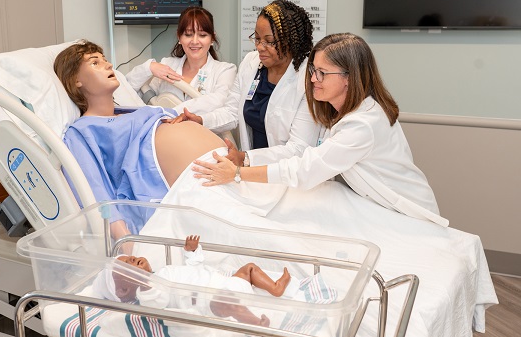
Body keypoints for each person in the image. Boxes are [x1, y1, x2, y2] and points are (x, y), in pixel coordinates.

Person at [192, 33, 448, 227]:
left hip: (403, 210)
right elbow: (304, 155)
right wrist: (247, 158)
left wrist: (238, 173)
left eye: (322, 73)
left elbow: (305, 169)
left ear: (350, 77)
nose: (313, 79)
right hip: (373, 204)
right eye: (313, 70)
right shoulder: (341, 110)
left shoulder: (363, 124)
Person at [54, 40, 226, 238]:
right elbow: (95, 190)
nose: (108, 65)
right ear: (76, 80)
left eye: (105, 60)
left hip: (224, 172)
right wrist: (124, 240)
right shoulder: (80, 131)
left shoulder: (132, 111)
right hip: (188, 192)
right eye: (95, 63)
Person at [169, 0, 322, 168]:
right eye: (257, 38)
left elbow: (299, 149)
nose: (260, 47)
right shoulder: (251, 63)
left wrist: (246, 158)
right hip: (249, 170)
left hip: (288, 173)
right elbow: (232, 112)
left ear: (291, 41)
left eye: (269, 41)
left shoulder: (309, 80)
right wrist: (201, 120)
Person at [93, 235, 336, 326]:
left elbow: (193, 268)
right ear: (125, 290)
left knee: (249, 268)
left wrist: (192, 253)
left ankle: (275, 288)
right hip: (208, 301)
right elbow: (159, 302)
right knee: (226, 302)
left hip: (224, 282)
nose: (134, 259)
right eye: (128, 266)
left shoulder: (166, 270)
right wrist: (144, 285)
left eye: (132, 257)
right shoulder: (151, 292)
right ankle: (254, 322)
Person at [125, 6, 236, 116]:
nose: (195, 41)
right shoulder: (167, 65)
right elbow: (128, 92)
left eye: (202, 35)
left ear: (212, 38)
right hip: (166, 133)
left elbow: (218, 101)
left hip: (204, 133)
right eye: (188, 35)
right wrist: (149, 67)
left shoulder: (225, 70)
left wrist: (171, 113)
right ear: (179, 37)